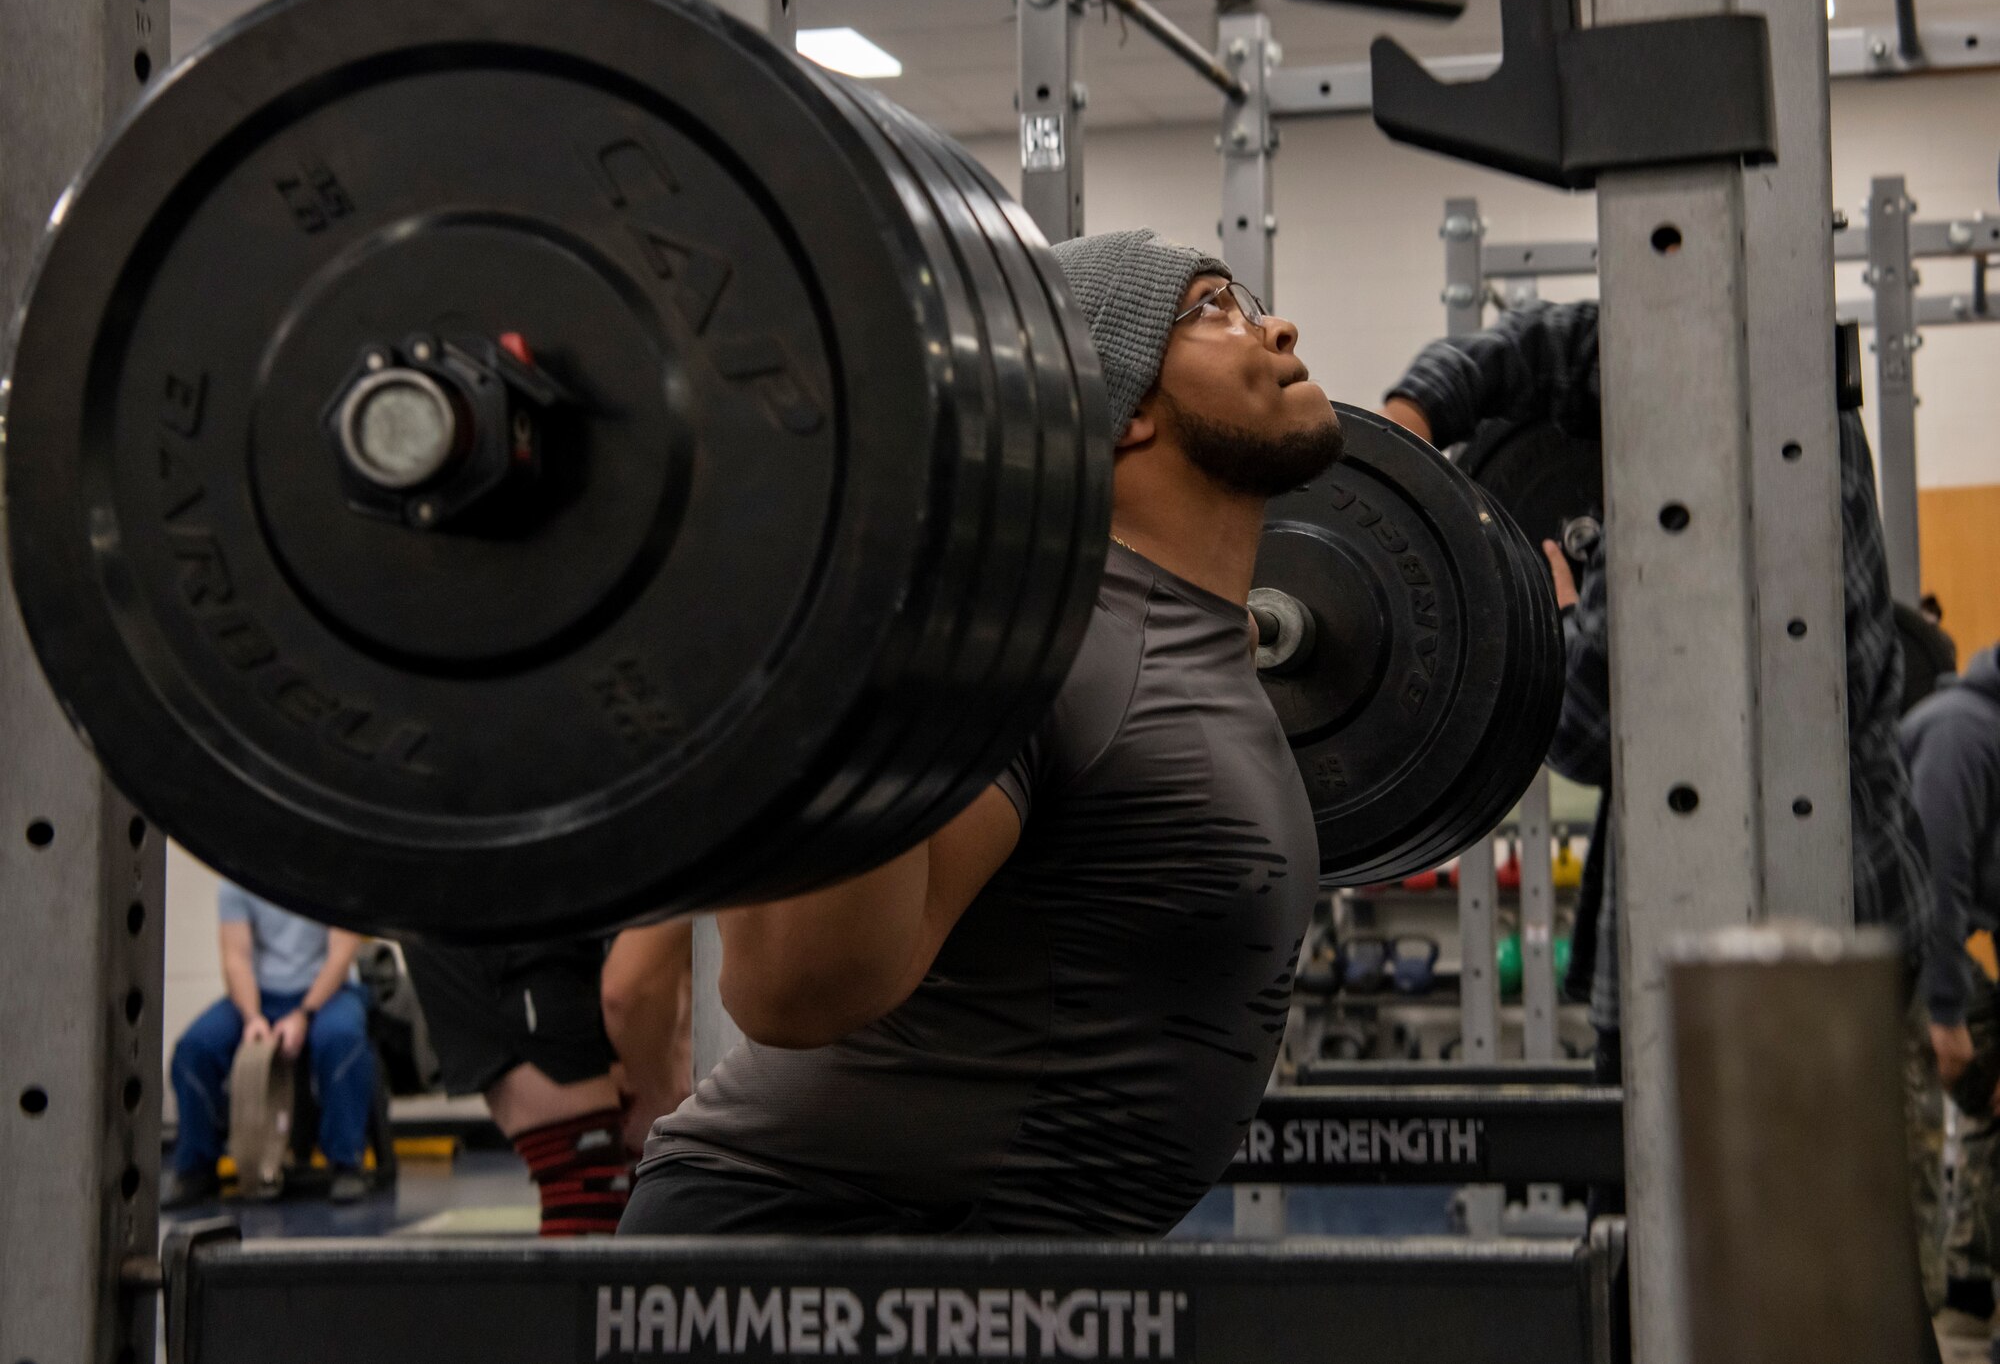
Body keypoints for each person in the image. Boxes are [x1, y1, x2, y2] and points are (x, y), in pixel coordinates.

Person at [619, 228, 1339, 1236]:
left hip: (1011, 1264)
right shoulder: (1041, 650)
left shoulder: (1190, 640)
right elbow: (793, 988)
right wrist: (868, 611)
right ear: (1119, 405)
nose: (1275, 326)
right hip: (821, 1264)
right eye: (1213, 306)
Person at [1381, 299, 1942, 1297]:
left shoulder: (1722, 473)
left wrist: (1557, 600)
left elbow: (1589, 726)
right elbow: (1576, 342)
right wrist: (1419, 407)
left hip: (1775, 962)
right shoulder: (1777, 368)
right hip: (1801, 939)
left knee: (1754, 1297)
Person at [402, 920, 693, 1236]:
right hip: (492, 917)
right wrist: (655, 1093)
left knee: (631, 1173)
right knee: (590, 1180)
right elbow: (625, 993)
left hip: (558, 917)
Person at [1902, 649, 2000, 1348]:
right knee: (1921, 1133)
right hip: (1895, 955)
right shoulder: (1962, 733)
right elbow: (1938, 884)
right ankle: (1930, 1306)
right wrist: (1944, 1017)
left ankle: (1971, 1286)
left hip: (1935, 954)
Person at [166, 882, 375, 1207]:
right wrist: (252, 1017)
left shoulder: (336, 870)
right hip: (261, 997)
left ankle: (347, 1163)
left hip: (328, 993)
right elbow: (236, 958)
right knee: (195, 1049)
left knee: (341, 1038)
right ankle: (196, 1168)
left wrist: (304, 1014)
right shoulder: (236, 879)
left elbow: (341, 955)